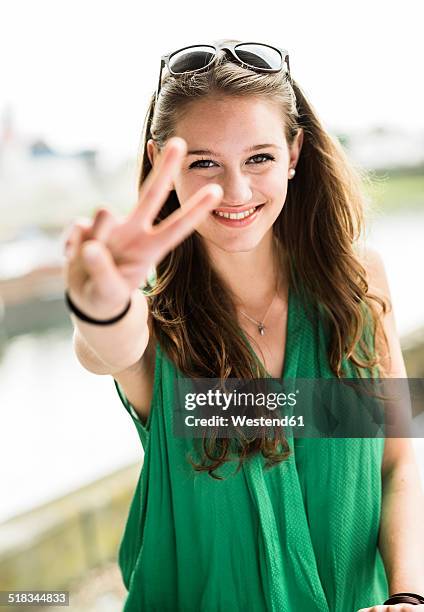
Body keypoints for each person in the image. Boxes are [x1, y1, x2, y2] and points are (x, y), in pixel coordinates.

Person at [62, 39, 424, 611]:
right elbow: (105, 347)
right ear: (162, 162)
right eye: (204, 163)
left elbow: (397, 459)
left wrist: (408, 596)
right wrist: (101, 299)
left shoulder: (358, 285)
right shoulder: (159, 324)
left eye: (259, 158)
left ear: (295, 153)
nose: (234, 192)